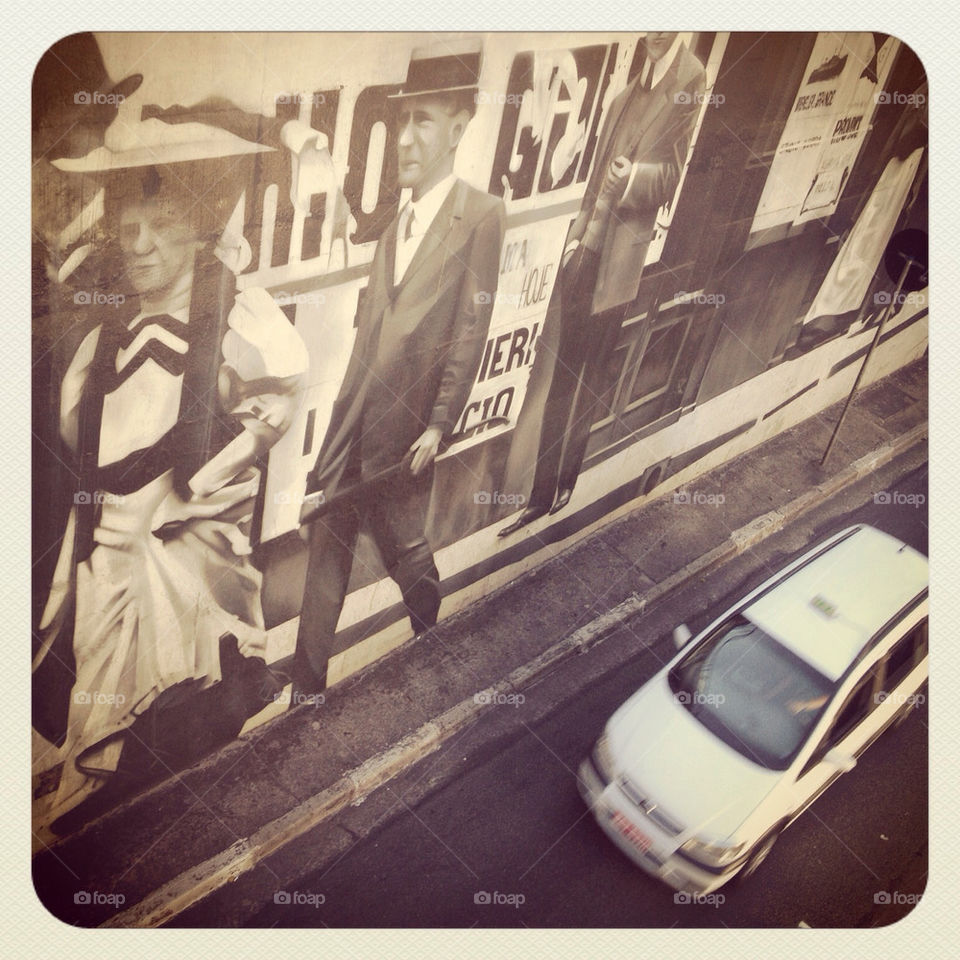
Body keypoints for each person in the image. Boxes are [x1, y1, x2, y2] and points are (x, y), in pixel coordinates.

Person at [33, 118, 309, 828]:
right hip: (107, 556)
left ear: (200, 226)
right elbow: (73, 434)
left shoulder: (237, 321)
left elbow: (279, 400)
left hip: (188, 550)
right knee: (100, 698)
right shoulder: (101, 339)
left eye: (162, 224)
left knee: (192, 691)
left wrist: (208, 485)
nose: (142, 245)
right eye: (129, 228)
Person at [293, 42, 505, 694]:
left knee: (405, 554)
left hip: (407, 429)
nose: (406, 139)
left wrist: (441, 424)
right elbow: (367, 342)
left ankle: (430, 639)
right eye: (403, 121)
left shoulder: (482, 215)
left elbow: (472, 327)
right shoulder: (395, 226)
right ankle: (306, 689)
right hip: (356, 424)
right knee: (328, 542)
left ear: (459, 126)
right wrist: (333, 435)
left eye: (425, 122)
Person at [500, 33, 707, 536]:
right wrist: (573, 241)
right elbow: (593, 185)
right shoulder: (619, 100)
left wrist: (632, 174)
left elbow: (669, 179)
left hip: (618, 264)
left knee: (591, 372)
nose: (653, 31)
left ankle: (567, 477)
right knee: (561, 376)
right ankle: (540, 494)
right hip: (584, 255)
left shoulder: (691, 81)